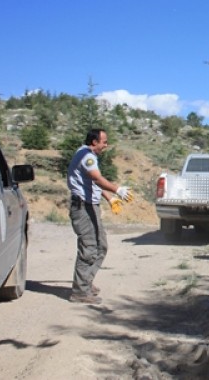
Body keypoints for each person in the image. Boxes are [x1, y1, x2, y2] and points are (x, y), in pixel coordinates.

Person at [67, 128, 132, 304]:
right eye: (104, 141)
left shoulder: (88, 156)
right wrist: (117, 189)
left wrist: (110, 199)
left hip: (90, 206)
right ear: (94, 142)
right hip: (83, 207)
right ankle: (80, 291)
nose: (106, 145)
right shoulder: (86, 156)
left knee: (101, 246)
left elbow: (92, 183)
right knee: (89, 248)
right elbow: (96, 178)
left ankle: (85, 282)